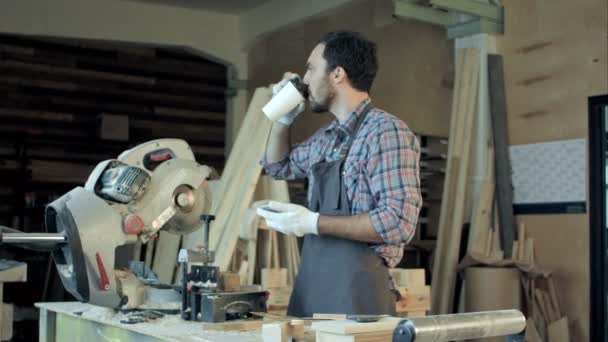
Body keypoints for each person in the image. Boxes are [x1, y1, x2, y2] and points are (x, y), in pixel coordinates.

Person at [257, 31, 422, 317]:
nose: (305, 79)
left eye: (311, 68)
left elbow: (398, 222)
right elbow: (277, 166)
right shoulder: (327, 139)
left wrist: (314, 222)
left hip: (358, 300)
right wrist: (283, 120)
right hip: (312, 293)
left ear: (337, 74)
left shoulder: (386, 132)